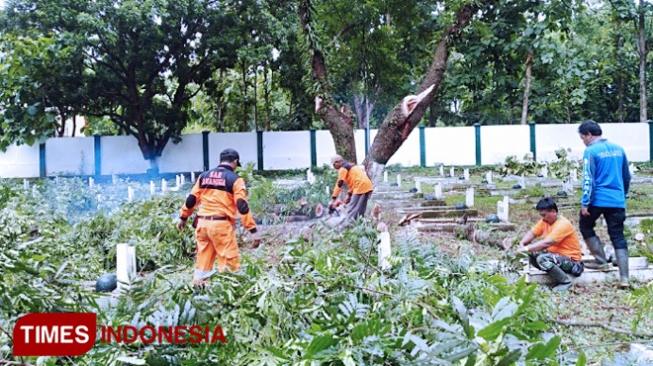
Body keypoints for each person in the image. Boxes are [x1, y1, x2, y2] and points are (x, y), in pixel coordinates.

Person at [177, 148, 260, 286]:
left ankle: (199, 289)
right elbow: (242, 206)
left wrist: (183, 217)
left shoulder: (204, 176)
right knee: (229, 263)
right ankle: (227, 290)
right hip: (221, 226)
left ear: (220, 161)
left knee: (203, 261)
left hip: (202, 225)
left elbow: (191, 199)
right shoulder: (235, 179)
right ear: (235, 162)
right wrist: (253, 230)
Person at [578, 120, 631, 288]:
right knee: (618, 235)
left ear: (588, 134)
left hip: (598, 199)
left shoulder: (591, 151)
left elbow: (588, 178)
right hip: (617, 200)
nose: (583, 141)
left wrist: (585, 202)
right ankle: (624, 278)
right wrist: (623, 195)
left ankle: (601, 261)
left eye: (582, 138)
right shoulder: (619, 149)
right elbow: (627, 176)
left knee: (585, 225)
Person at [517, 197, 584, 291]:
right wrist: (522, 243)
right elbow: (532, 233)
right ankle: (553, 273)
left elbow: (547, 243)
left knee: (542, 258)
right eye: (541, 215)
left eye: (544, 215)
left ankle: (565, 282)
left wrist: (526, 248)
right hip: (557, 257)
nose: (542, 218)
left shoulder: (563, 224)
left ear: (553, 212)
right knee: (531, 253)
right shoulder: (545, 221)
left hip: (572, 262)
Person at [329, 155, 374, 226]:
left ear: (337, 162)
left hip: (360, 186)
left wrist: (333, 198)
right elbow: (353, 182)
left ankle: (347, 225)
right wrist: (349, 195)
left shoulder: (343, 168)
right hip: (366, 185)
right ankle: (359, 224)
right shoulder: (351, 166)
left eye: (334, 165)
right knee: (360, 208)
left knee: (351, 208)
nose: (334, 167)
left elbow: (339, 183)